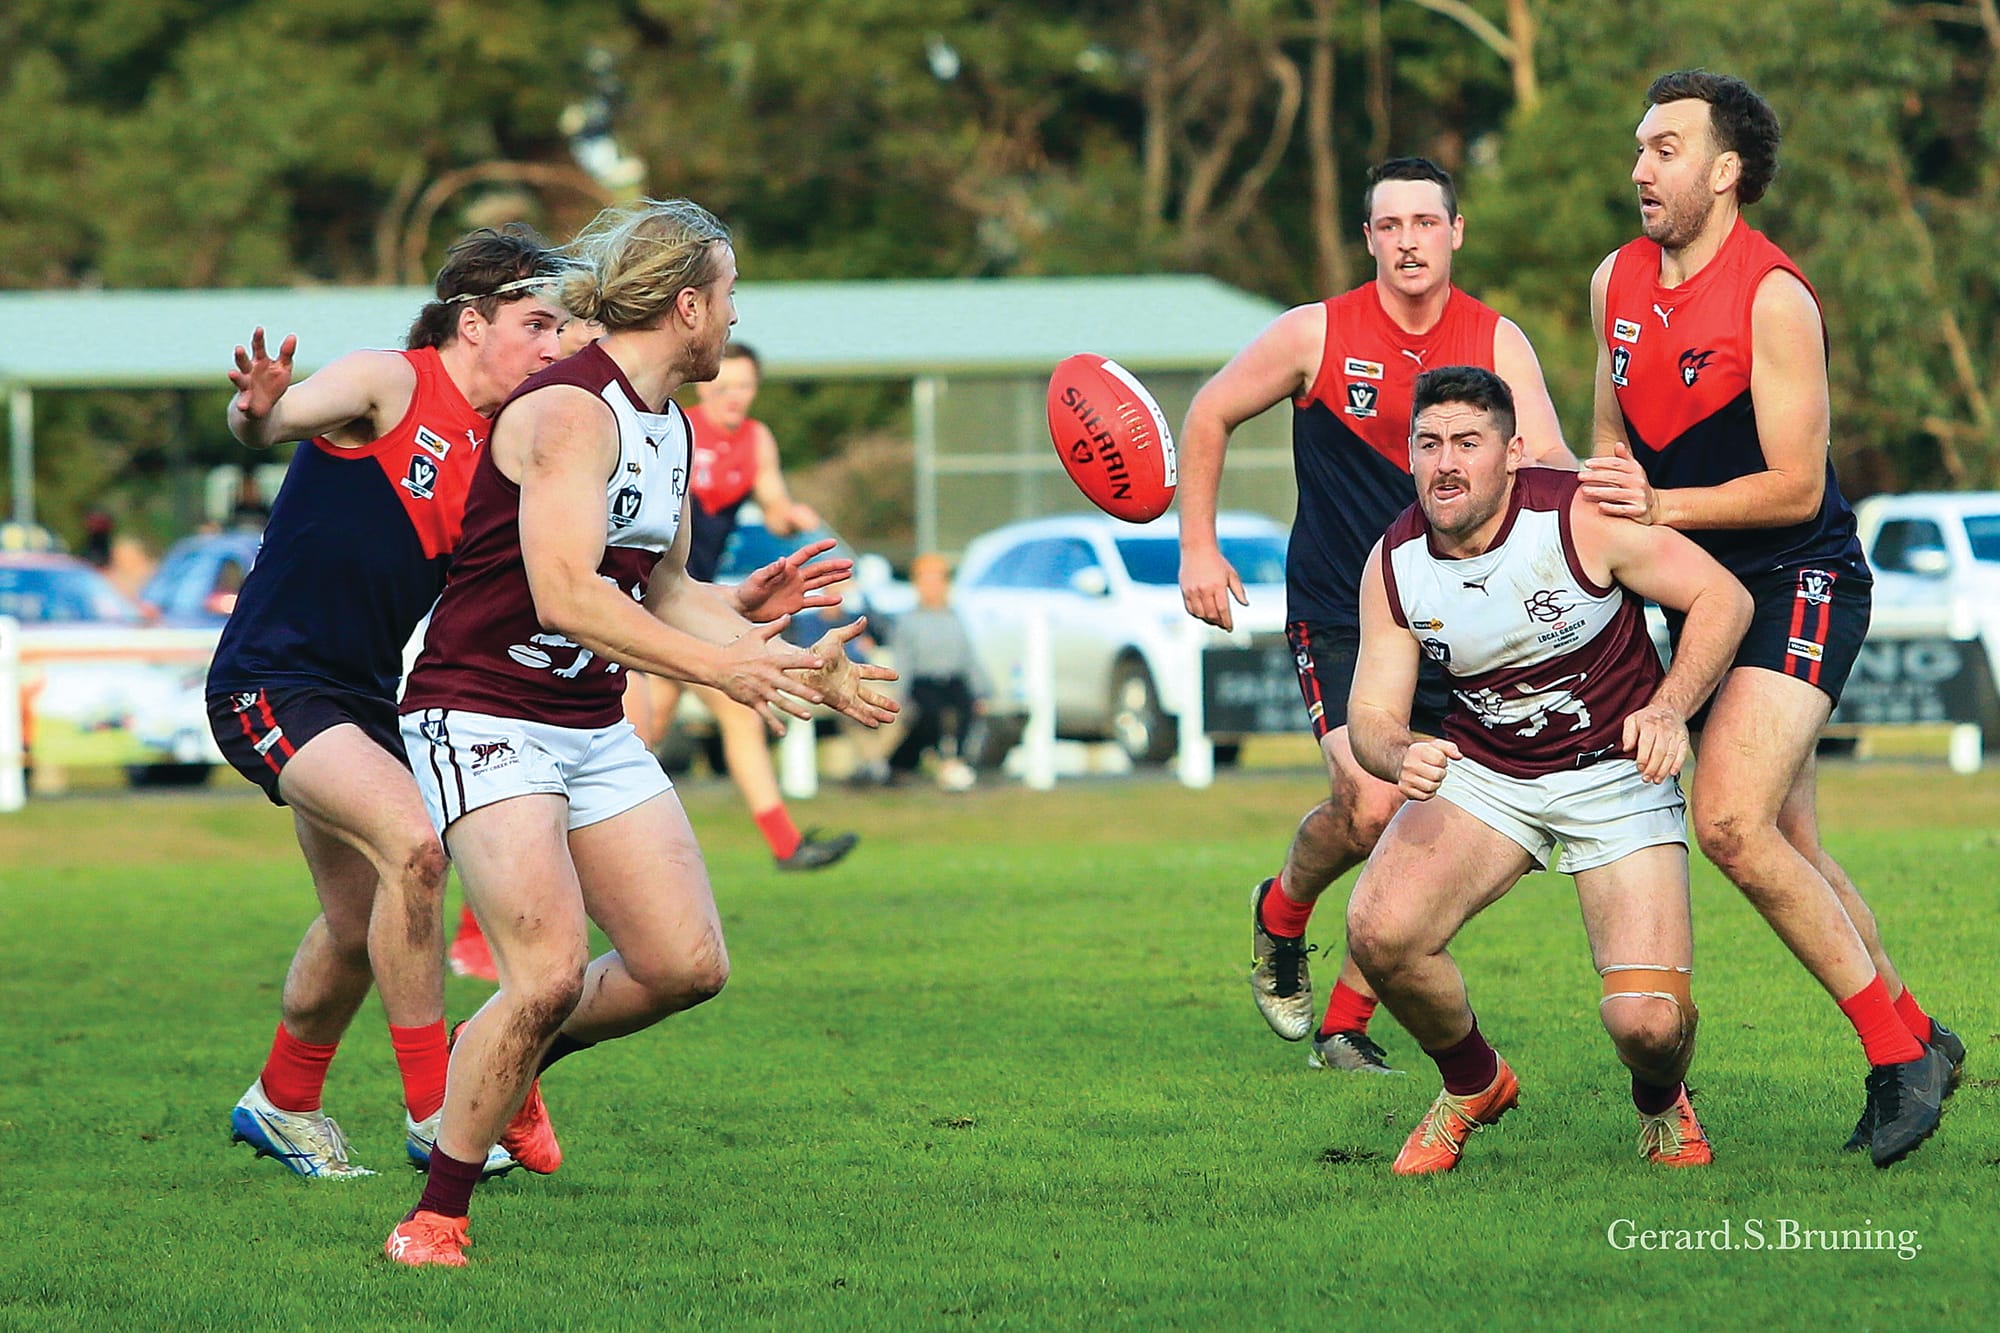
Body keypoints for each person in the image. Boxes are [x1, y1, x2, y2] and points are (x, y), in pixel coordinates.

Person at [383, 198, 897, 1267]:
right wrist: (725, 669)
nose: (736, 316)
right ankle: (433, 1217)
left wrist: (787, 645)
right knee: (547, 971)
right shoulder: (573, 411)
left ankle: (508, 1065)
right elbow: (567, 591)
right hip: (480, 708)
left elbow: (655, 585)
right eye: (731, 294)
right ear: (687, 304)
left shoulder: (668, 423)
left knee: (684, 963)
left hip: (581, 718)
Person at [1578, 70, 1958, 1165]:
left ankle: (1894, 1061)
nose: (1640, 168)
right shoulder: (1613, 280)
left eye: (1664, 149)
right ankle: (1918, 1035)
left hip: (1799, 581)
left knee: (1731, 824)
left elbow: (1795, 485)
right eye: (1638, 147)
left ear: (1723, 171)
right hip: (1695, 596)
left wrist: (1662, 506)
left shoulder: (1773, 296)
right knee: (1787, 839)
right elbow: (1611, 451)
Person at [1177, 157, 1576, 1074]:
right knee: (1368, 802)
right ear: (1369, 240)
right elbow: (1207, 415)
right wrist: (1198, 547)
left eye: (1425, 224)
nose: (1409, 241)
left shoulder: (1496, 341)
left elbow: (1546, 456)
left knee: (1477, 832)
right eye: (1390, 225)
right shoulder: (1315, 333)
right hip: (1342, 611)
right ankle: (1281, 914)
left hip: (1465, 621)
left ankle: (1347, 1024)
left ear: (1455, 233)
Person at [207, 225, 567, 1179]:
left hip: (365, 699)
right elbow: (275, 421)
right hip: (268, 682)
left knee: (359, 919)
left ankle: (283, 1100)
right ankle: (435, 1105)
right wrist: (258, 412)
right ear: (472, 321)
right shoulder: (389, 382)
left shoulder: (507, 447)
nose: (553, 345)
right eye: (538, 323)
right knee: (415, 841)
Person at [1344, 365, 1751, 1174]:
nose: (1447, 463)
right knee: (1379, 932)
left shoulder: (1576, 515)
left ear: (1513, 451)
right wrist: (1398, 751)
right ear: (1409, 456)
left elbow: (1723, 598)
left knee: (1648, 1025)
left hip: (1613, 772)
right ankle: (1473, 1081)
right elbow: (1370, 717)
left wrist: (1669, 708)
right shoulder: (1393, 563)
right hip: (1488, 770)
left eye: (1468, 442)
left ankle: (1661, 1098)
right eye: (1429, 444)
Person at [884, 552, 988, 790]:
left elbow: (968, 657)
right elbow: (903, 659)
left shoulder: (955, 618)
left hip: (953, 680)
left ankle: (958, 763)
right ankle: (926, 764)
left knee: (966, 710)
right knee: (928, 717)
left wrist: (981, 691)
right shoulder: (908, 621)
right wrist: (898, 694)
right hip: (924, 682)